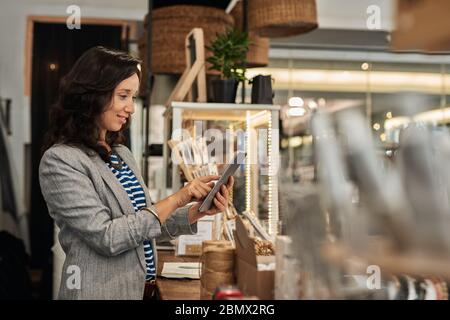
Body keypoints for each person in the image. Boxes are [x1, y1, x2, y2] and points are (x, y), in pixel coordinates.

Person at [39, 46, 233, 300]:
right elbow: (108, 237)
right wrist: (179, 197)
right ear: (92, 96)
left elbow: (146, 225)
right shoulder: (60, 161)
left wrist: (198, 210)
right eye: (123, 96)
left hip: (143, 291)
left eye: (133, 97)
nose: (130, 108)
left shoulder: (121, 153)